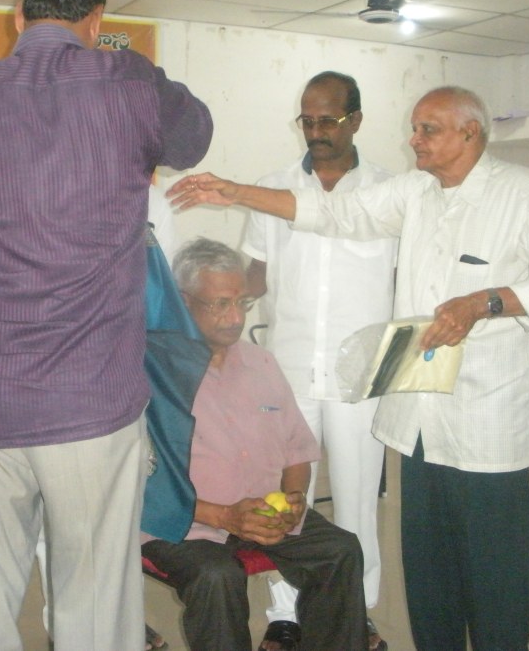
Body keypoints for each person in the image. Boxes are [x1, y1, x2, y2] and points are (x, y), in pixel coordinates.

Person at [169, 86, 529, 651]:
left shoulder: (520, 192)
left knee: (494, 572)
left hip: (486, 426)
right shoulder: (416, 192)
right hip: (417, 422)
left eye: (427, 129)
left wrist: (485, 301)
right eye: (414, 128)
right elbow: (334, 212)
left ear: (470, 132)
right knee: (428, 571)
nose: (414, 139)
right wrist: (233, 191)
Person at [0, 0, 213, 648]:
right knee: (92, 601)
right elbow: (193, 136)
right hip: (89, 398)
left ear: (18, 15)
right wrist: (131, 73)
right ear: (97, 17)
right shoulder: (127, 81)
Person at [141, 237, 369, 651]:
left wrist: (294, 499)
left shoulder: (261, 362)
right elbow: (140, 482)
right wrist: (223, 516)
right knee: (216, 577)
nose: (235, 317)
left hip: (263, 510)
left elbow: (297, 449)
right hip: (185, 524)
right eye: (220, 304)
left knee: (339, 550)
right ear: (183, 301)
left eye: (242, 303)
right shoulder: (152, 372)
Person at [241, 71, 394, 651]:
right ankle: (285, 613)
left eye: (327, 120)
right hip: (289, 369)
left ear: (356, 119)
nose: (315, 131)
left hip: (360, 374)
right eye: (307, 120)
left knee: (356, 500)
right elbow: (256, 272)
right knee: (285, 500)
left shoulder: (389, 191)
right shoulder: (273, 188)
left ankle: (356, 610)